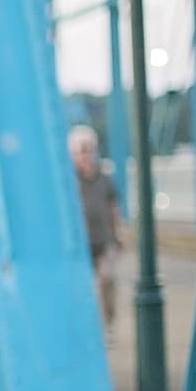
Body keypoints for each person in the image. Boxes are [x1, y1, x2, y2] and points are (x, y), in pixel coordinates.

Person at [71, 123, 123, 328]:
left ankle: (108, 323)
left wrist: (118, 234)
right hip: (80, 244)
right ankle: (86, 325)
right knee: (82, 288)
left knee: (108, 280)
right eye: (80, 151)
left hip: (103, 240)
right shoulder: (68, 181)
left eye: (88, 150)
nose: (85, 156)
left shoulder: (104, 178)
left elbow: (114, 207)